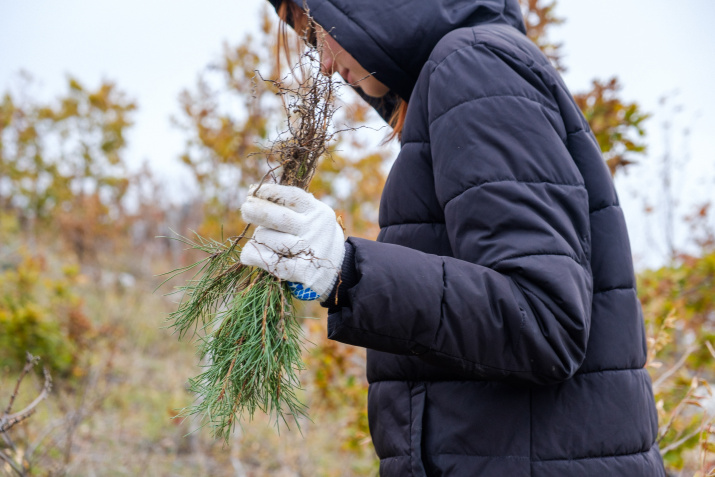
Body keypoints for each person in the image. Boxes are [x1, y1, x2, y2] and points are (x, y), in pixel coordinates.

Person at [239, 0, 667, 475]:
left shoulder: (474, 68)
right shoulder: (457, 76)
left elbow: (546, 319)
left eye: (320, 31)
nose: (321, 60)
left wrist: (349, 270)